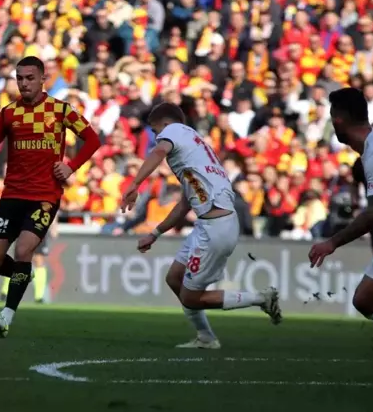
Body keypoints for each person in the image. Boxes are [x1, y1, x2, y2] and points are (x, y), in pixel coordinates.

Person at [0, 56, 101, 337]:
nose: (24, 83)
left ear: (42, 79)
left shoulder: (60, 111)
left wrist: (71, 165)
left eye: (29, 78)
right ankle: (23, 275)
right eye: (19, 78)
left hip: (44, 196)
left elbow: (93, 140)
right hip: (12, 196)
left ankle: (6, 316)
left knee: (24, 250)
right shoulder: (9, 113)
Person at [120, 102, 282, 349]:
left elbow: (157, 152)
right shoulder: (195, 152)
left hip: (216, 227)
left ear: (165, 124)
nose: (156, 137)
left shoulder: (174, 131)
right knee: (175, 278)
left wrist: (135, 184)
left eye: (155, 131)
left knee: (191, 297)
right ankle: (205, 337)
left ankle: (261, 298)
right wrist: (155, 234)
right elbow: (185, 204)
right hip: (209, 224)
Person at [309, 88, 373, 323]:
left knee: (365, 300)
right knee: (364, 300)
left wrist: (332, 242)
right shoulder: (370, 150)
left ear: (338, 118)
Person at [0, 217, 57, 304]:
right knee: (19, 259)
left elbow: (53, 206)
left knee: (39, 261)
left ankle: (39, 297)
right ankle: (5, 292)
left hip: (40, 226)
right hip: (25, 225)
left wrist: (54, 225)